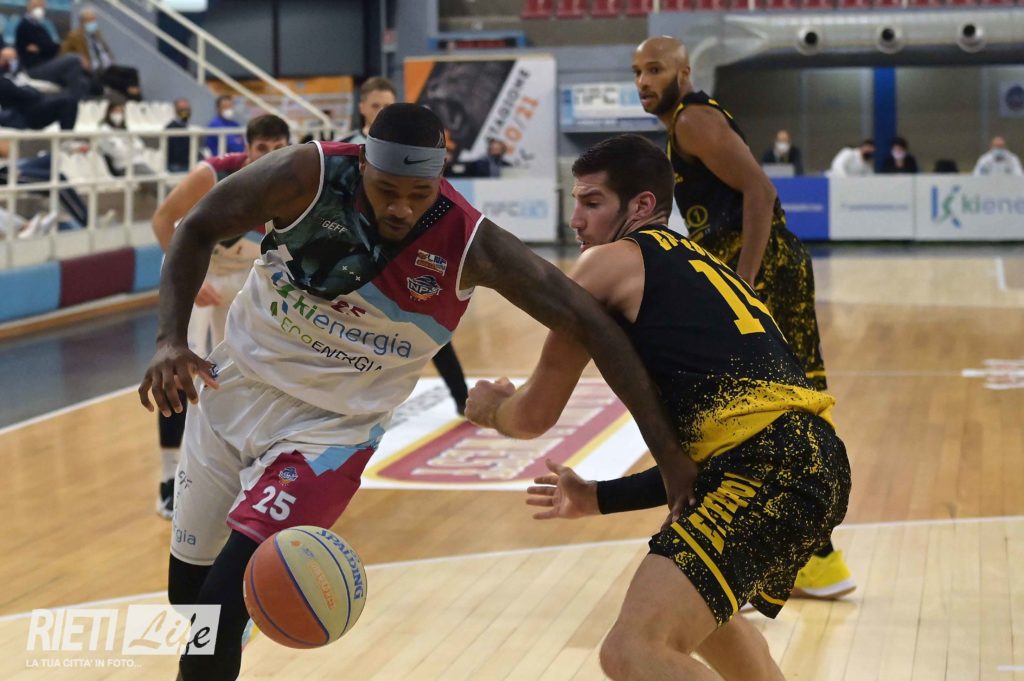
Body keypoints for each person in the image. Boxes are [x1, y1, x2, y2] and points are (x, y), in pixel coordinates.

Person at [137, 103, 693, 681]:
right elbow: (196, 226)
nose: (401, 207)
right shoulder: (306, 174)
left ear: (441, 178)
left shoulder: (472, 242)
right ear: (362, 163)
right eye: (386, 190)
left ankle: (230, 623)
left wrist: (670, 454)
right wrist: (169, 339)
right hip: (232, 391)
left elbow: (594, 326)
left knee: (218, 611)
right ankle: (235, 621)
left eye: (419, 193)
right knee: (189, 599)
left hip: (329, 435)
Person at [466, 134, 850, 681]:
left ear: (642, 205)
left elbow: (534, 415)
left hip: (766, 467)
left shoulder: (608, 262)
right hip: (811, 460)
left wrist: (492, 407)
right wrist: (597, 498)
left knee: (633, 650)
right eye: (575, 202)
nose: (576, 220)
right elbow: (713, 455)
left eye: (592, 202)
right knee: (716, 631)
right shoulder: (704, 265)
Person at [631, 36, 853, 599]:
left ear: (684, 72)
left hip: (762, 267)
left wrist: (744, 283)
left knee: (752, 412)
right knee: (785, 408)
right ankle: (813, 561)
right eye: (637, 72)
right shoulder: (686, 123)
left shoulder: (692, 120)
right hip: (766, 266)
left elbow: (760, 189)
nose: (644, 82)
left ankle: (794, 559)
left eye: (655, 69)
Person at [150, 114, 290, 520]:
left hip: (245, 277)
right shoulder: (213, 175)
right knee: (177, 369)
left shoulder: (294, 186)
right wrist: (186, 277)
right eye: (262, 149)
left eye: (278, 149)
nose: (270, 156)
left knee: (245, 370)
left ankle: (234, 469)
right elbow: (162, 220)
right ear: (248, 149)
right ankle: (168, 479)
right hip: (198, 272)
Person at [341, 76, 470, 414]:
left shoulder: (418, 151)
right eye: (375, 105)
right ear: (362, 108)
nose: (380, 110)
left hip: (407, 251)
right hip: (357, 255)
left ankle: (463, 399)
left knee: (425, 326)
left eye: (386, 105)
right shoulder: (345, 149)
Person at [14, 0, 94, 100]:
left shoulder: (40, 26)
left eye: (42, 6)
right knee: (75, 58)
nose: (39, 9)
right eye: (36, 5)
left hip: (48, 64)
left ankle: (69, 101)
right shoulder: (24, 26)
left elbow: (53, 47)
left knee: (83, 81)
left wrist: (41, 48)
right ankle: (73, 100)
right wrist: (46, 47)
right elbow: (49, 47)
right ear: (29, 6)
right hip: (35, 68)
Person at [60, 5, 141, 100]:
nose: (93, 23)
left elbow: (104, 50)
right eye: (90, 20)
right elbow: (63, 54)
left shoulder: (96, 34)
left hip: (107, 67)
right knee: (124, 83)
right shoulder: (74, 36)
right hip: (94, 70)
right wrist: (79, 59)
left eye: (94, 20)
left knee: (133, 72)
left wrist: (110, 58)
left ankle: (134, 100)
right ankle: (135, 101)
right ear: (82, 22)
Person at [0, 47, 77, 130]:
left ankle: (67, 135)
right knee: (67, 101)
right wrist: (32, 91)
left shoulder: (15, 71)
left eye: (13, 58)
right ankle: (67, 137)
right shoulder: (3, 80)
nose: (11, 61)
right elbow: (21, 94)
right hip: (22, 113)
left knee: (68, 97)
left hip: (32, 103)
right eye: (6, 59)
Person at [339, 76, 396, 144]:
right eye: (375, 106)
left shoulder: (405, 144)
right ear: (362, 108)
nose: (381, 111)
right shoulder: (345, 144)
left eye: (387, 107)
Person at [165, 98, 194, 173]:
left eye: (187, 109)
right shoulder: (171, 128)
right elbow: (178, 153)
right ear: (176, 110)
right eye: (182, 109)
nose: (185, 112)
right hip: (176, 165)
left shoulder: (186, 126)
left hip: (187, 163)